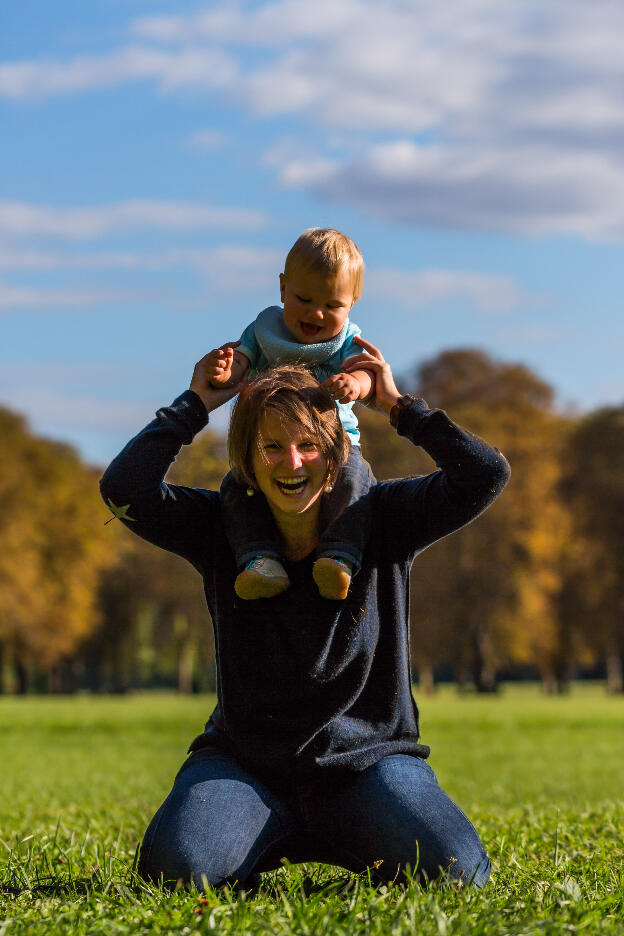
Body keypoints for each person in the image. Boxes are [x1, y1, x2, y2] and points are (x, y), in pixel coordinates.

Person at [99, 341, 510, 891]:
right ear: (246, 456)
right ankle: (256, 838)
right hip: (247, 770)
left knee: (459, 873)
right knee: (177, 871)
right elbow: (124, 489)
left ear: (336, 450)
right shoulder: (218, 526)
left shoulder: (383, 515)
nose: (291, 463)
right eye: (271, 446)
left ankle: (347, 835)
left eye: (308, 445)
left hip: (370, 768)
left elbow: (484, 475)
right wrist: (196, 402)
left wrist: (396, 405)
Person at [206, 228, 376, 603]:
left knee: (356, 482)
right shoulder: (263, 331)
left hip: (337, 446)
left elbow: (366, 372)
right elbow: (242, 366)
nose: (317, 312)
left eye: (332, 306)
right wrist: (224, 373)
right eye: (304, 298)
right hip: (266, 444)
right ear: (283, 289)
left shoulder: (347, 339)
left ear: (353, 302)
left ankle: (339, 557)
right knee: (236, 487)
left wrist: (355, 384)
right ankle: (260, 560)